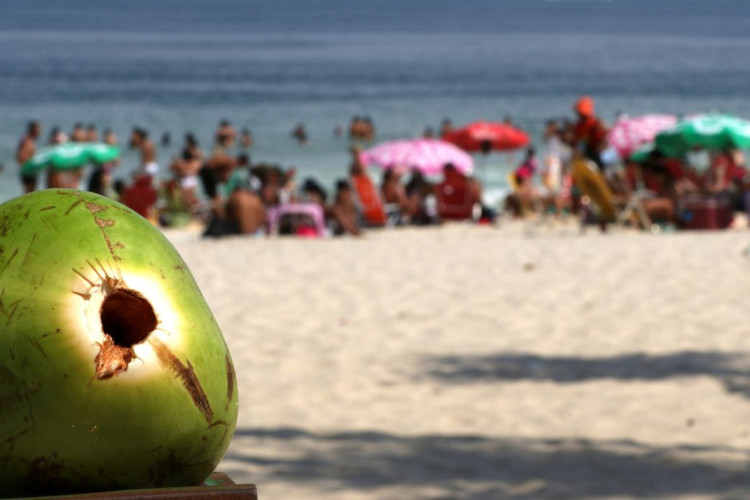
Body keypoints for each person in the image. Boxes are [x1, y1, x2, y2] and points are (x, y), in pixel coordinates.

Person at [571, 96, 609, 170]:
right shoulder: (583, 124)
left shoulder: (592, 124)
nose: (577, 113)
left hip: (593, 155)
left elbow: (583, 141)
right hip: (590, 154)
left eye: (578, 111)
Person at [16, 121, 41, 193]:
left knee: (30, 192)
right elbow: (21, 156)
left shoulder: (29, 139)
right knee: (30, 193)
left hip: (29, 170)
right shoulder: (27, 140)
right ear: (33, 129)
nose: (40, 131)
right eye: (38, 129)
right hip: (28, 171)